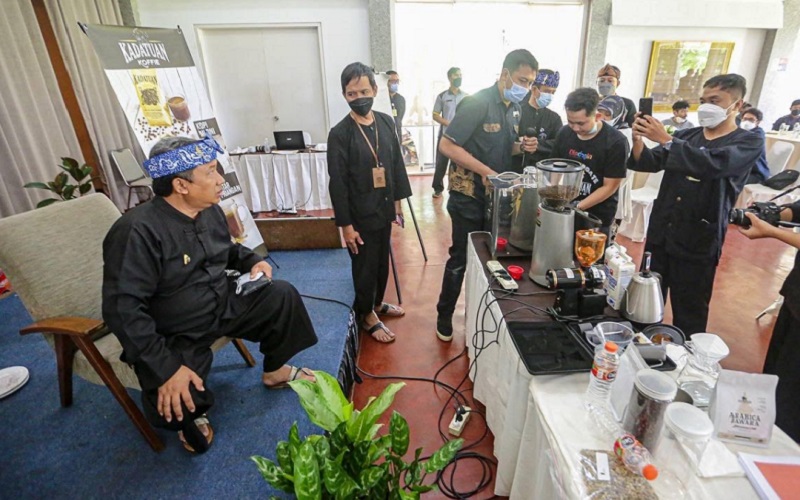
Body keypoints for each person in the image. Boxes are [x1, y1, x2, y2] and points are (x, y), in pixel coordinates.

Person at [102, 135, 318, 454]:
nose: (221, 181)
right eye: (211, 172)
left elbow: (227, 251)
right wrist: (166, 368)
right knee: (181, 409)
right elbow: (123, 310)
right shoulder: (136, 231)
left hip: (222, 301)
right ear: (181, 185)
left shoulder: (210, 210)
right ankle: (191, 407)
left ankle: (274, 372)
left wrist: (253, 260)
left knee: (281, 295)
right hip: (176, 331)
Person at [629, 74, 763, 335]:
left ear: (737, 104)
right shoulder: (687, 135)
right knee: (646, 298)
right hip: (663, 230)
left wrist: (667, 140)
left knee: (689, 308)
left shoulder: (747, 141)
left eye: (715, 100)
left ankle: (688, 359)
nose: (706, 107)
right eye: (703, 100)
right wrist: (637, 139)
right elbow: (648, 162)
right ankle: (640, 348)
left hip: (699, 235)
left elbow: (714, 164)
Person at [435, 49, 539, 342]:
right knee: (461, 257)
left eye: (530, 83)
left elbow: (503, 148)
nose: (525, 87)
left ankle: (484, 313)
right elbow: (448, 145)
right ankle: (444, 314)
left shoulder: (514, 109)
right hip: (469, 194)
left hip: (499, 198)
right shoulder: (477, 103)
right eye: (521, 79)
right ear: (505, 73)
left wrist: (524, 147)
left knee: (494, 256)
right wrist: (485, 172)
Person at [328, 62, 412, 344]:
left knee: (380, 262)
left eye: (364, 90)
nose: (359, 97)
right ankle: (365, 314)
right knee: (363, 266)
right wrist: (346, 226)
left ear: (375, 90)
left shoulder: (386, 122)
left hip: (384, 206)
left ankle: (376, 304)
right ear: (345, 96)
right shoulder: (340, 134)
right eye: (352, 94)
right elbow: (337, 182)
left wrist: (398, 203)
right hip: (358, 214)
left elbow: (395, 163)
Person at [738, 206, 800, 442]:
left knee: (790, 398)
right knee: (774, 377)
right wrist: (775, 214)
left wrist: (772, 231)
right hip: (796, 299)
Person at [553, 88, 628, 240]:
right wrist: (553, 195)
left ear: (598, 116)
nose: (575, 128)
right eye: (570, 121)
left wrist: (576, 207)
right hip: (564, 211)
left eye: (581, 123)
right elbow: (556, 167)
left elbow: (610, 186)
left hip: (596, 217)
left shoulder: (616, 142)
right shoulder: (564, 133)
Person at [512, 69, 563, 172]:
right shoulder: (515, 112)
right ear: (534, 89)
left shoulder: (554, 118)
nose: (550, 95)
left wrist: (537, 144)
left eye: (553, 92)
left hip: (542, 173)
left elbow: (560, 144)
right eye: (547, 91)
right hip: (514, 170)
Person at [432, 67, 468, 197]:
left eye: (460, 74)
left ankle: (456, 188)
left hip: (461, 137)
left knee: (459, 163)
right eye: (456, 75)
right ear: (449, 78)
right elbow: (435, 115)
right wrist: (449, 123)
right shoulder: (442, 96)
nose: (459, 77)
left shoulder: (466, 96)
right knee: (441, 163)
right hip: (445, 136)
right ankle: (437, 188)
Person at [740, 107, 770, 185]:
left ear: (758, 122)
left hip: (756, 173)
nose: (747, 122)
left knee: (725, 181)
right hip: (742, 170)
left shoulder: (757, 136)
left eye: (751, 120)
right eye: (745, 119)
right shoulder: (741, 132)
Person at [386, 70, 406, 138]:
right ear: (387, 82)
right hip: (385, 132)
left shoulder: (401, 99)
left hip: (397, 132)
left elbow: (400, 117)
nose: (396, 83)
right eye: (393, 81)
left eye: (397, 81)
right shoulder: (382, 99)